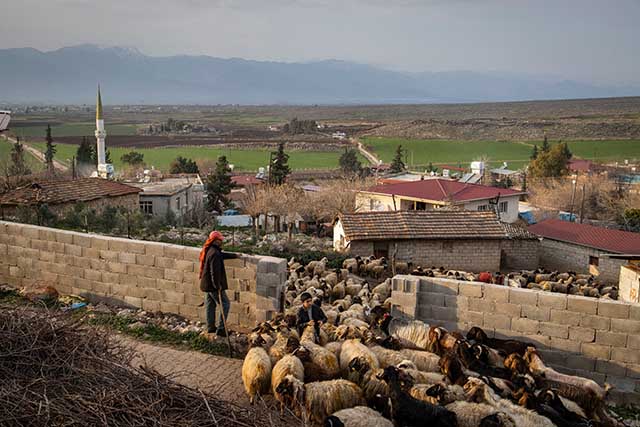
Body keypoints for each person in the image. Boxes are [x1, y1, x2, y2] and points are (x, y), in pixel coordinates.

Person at [199, 230, 240, 336]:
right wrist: (218, 286)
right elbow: (214, 272)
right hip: (213, 286)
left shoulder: (209, 250)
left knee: (210, 306)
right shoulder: (215, 253)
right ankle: (221, 329)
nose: (221, 242)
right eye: (220, 240)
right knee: (225, 304)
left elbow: (222, 255)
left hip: (206, 284)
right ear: (215, 241)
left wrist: (235, 255)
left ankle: (210, 327)